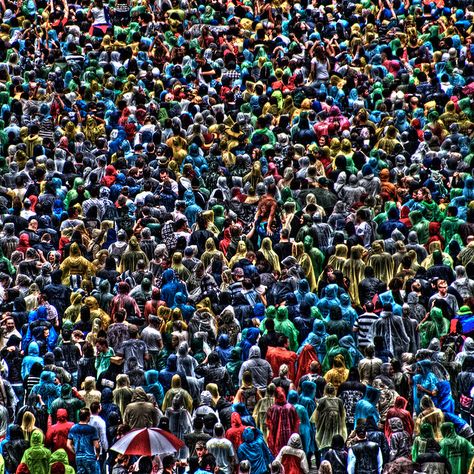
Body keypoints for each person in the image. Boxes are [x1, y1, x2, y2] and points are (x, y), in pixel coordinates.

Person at [67, 408, 100, 474]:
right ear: (87, 417)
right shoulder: (92, 429)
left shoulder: (73, 428)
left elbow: (68, 445)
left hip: (79, 458)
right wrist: (97, 454)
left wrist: (76, 453)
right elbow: (97, 446)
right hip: (90, 457)